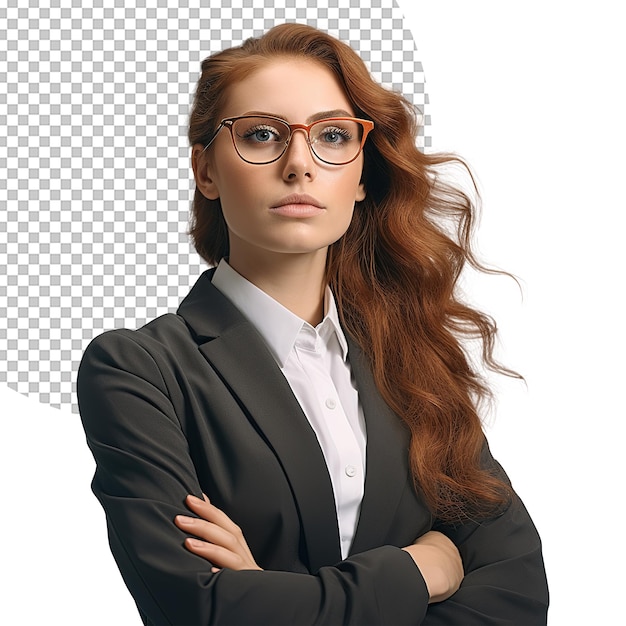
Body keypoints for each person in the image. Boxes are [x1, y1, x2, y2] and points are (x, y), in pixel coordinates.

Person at [77, 23, 549, 625]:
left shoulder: (408, 357)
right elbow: (198, 609)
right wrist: (419, 569)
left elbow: (517, 594)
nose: (300, 164)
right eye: (261, 135)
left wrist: (273, 591)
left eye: (331, 135)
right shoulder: (141, 370)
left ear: (359, 176)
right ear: (206, 171)